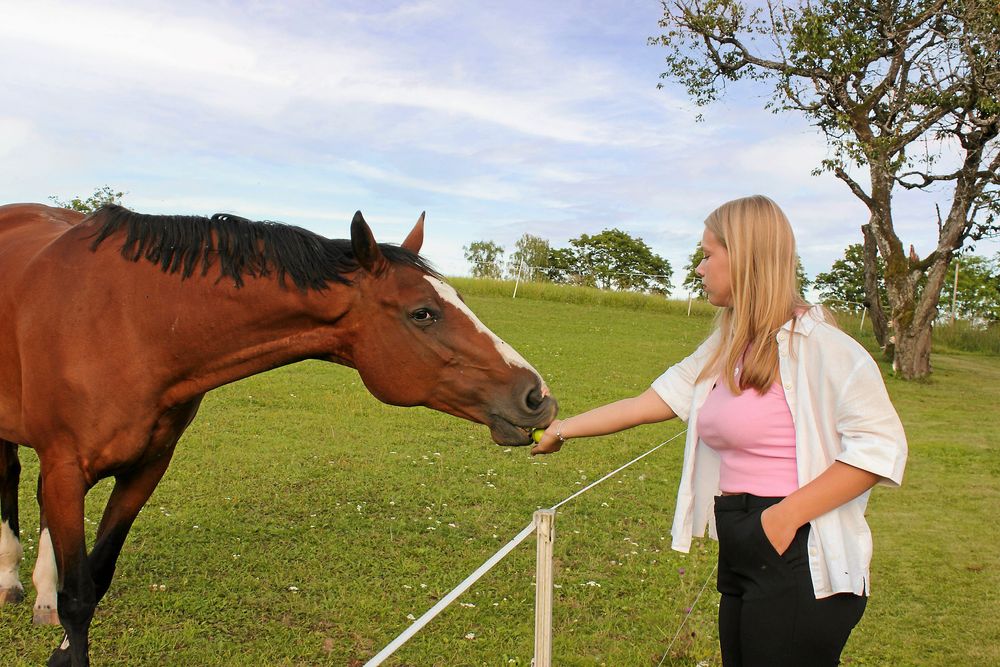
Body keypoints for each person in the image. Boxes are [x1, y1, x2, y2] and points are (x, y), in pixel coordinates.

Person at [531, 195, 907, 666]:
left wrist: (782, 520)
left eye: (708, 254)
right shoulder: (729, 344)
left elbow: (880, 449)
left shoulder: (825, 348)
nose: (699, 268)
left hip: (798, 552)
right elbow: (652, 402)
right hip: (743, 540)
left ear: (746, 256)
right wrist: (562, 429)